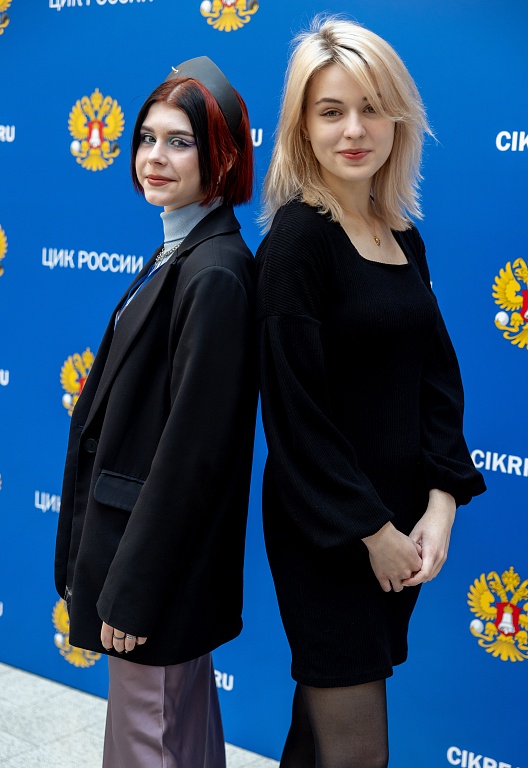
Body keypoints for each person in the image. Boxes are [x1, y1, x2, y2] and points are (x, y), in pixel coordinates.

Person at [256, 17, 486, 768]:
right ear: (302, 126)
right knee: (357, 754)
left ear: (399, 120)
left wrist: (441, 504)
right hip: (329, 536)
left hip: (402, 527)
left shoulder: (402, 235)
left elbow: (435, 378)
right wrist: (373, 531)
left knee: (316, 736)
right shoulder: (297, 241)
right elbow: (297, 416)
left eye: (372, 108)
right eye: (331, 111)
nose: (354, 129)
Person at [54, 56, 257, 768]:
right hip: (142, 563)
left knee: (153, 742)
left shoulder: (214, 272)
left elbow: (194, 456)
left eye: (179, 142)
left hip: (154, 577)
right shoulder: (180, 250)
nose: (153, 157)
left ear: (221, 154)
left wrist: (135, 591)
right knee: (181, 738)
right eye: (146, 138)